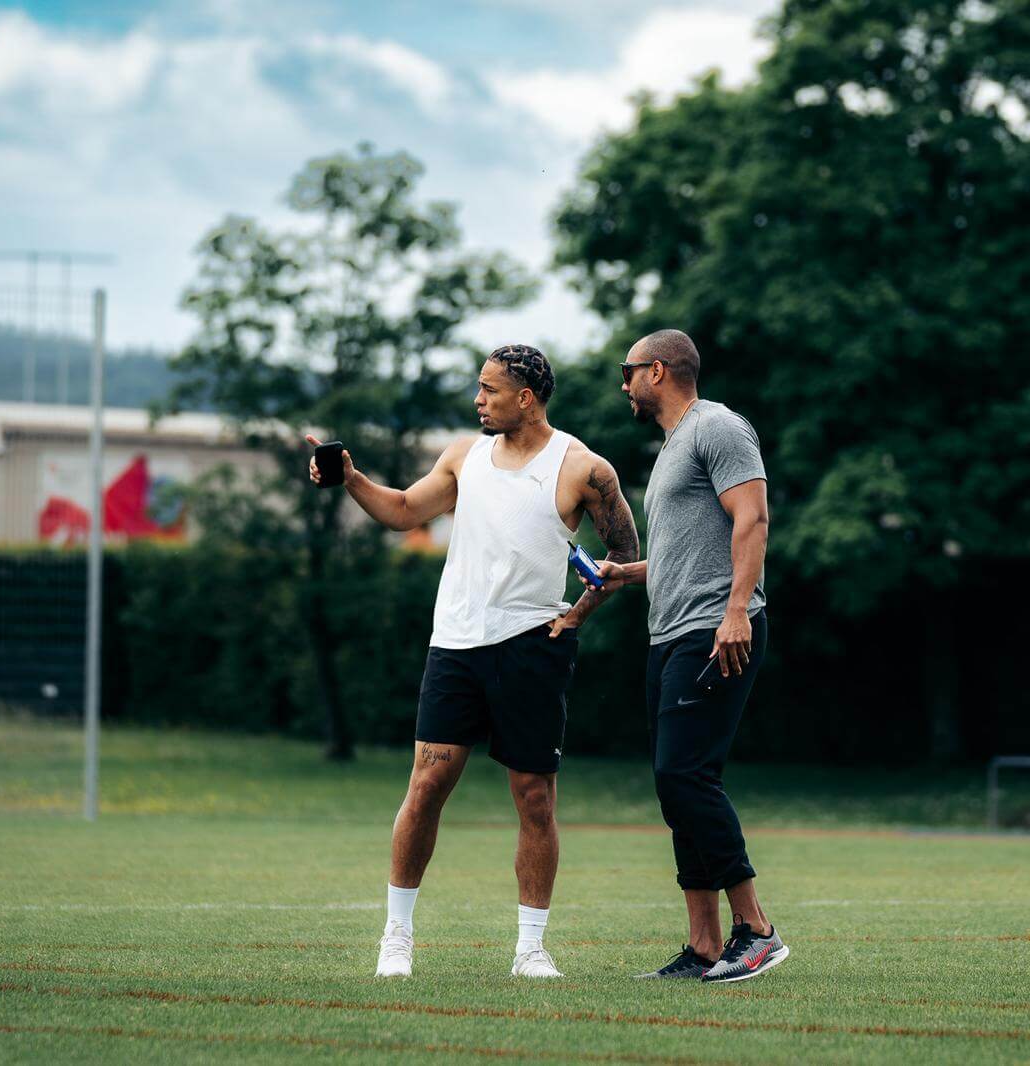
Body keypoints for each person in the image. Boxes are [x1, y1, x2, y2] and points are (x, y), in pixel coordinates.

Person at [306, 343, 638, 979]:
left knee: (534, 798)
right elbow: (403, 511)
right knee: (426, 786)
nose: (477, 399)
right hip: (455, 645)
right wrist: (350, 478)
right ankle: (396, 939)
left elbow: (622, 553)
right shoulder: (464, 456)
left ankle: (530, 950)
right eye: (478, 388)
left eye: (489, 389)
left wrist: (577, 614)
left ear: (526, 397)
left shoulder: (583, 468)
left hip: (531, 648)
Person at [594, 328, 786, 983]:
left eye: (628, 371)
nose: (622, 384)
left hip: (715, 628)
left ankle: (756, 930)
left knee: (686, 776)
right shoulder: (674, 448)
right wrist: (625, 573)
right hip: (671, 634)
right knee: (674, 789)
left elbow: (752, 518)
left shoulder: (718, 427)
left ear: (657, 370)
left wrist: (737, 610)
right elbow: (687, 553)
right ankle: (704, 946)